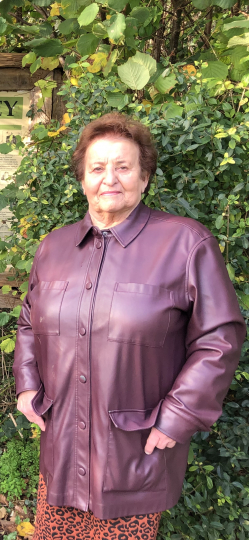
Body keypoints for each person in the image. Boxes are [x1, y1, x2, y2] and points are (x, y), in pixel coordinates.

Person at [13, 112, 246, 539]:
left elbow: (220, 339)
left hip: (134, 452)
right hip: (61, 450)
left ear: (144, 177)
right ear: (82, 179)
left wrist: (178, 415)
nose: (110, 178)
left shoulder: (186, 243)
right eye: (97, 168)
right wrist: (27, 384)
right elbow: (30, 320)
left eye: (123, 167)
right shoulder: (54, 247)